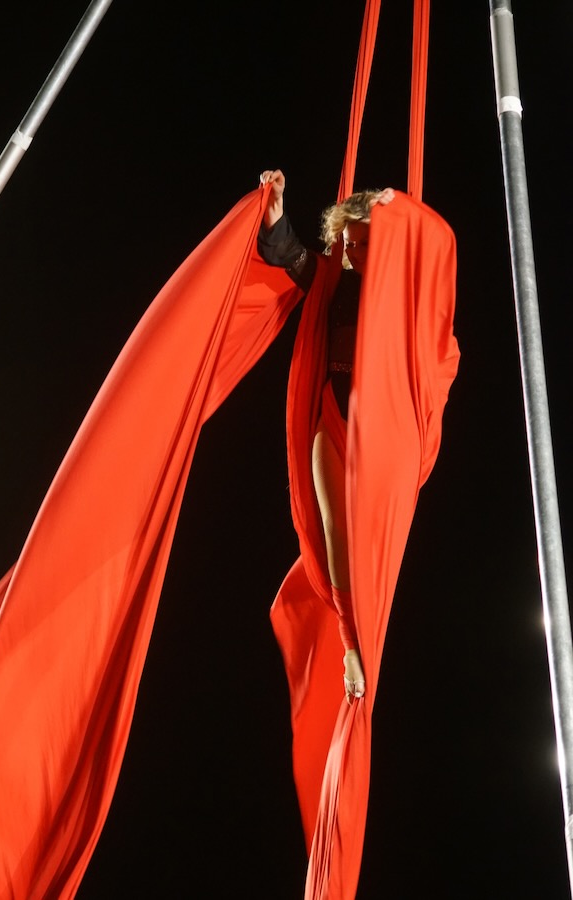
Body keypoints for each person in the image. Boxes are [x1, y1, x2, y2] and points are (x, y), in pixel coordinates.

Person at [258, 169, 395, 703]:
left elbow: (434, 254)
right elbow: (293, 258)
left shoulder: (400, 288)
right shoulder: (333, 278)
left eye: (365, 243)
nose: (355, 252)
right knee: (335, 531)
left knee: (371, 539)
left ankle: (370, 630)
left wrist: (401, 215)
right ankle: (350, 643)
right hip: (333, 413)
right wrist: (276, 215)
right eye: (350, 243)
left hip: (380, 422)